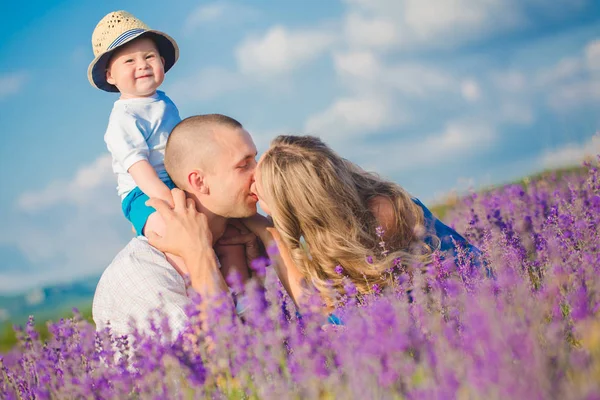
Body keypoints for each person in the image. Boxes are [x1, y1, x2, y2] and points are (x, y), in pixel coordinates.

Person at [217, 135, 484, 309]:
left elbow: (323, 317)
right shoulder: (329, 224)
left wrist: (269, 234)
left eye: (260, 192)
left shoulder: (383, 212)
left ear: (295, 204)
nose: (252, 182)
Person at [88, 11, 250, 285]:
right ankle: (196, 288)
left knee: (224, 221)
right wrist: (171, 202)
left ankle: (242, 293)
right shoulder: (123, 118)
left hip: (176, 181)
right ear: (110, 75)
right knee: (180, 235)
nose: (142, 65)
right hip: (143, 193)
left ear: (162, 62)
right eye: (129, 60)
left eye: (149, 57)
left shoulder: (164, 103)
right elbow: (139, 169)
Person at [93, 115, 261, 338]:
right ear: (199, 181)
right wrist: (198, 254)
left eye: (255, 161)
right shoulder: (141, 272)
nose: (258, 173)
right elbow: (220, 359)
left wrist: (271, 244)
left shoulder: (240, 245)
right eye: (244, 165)